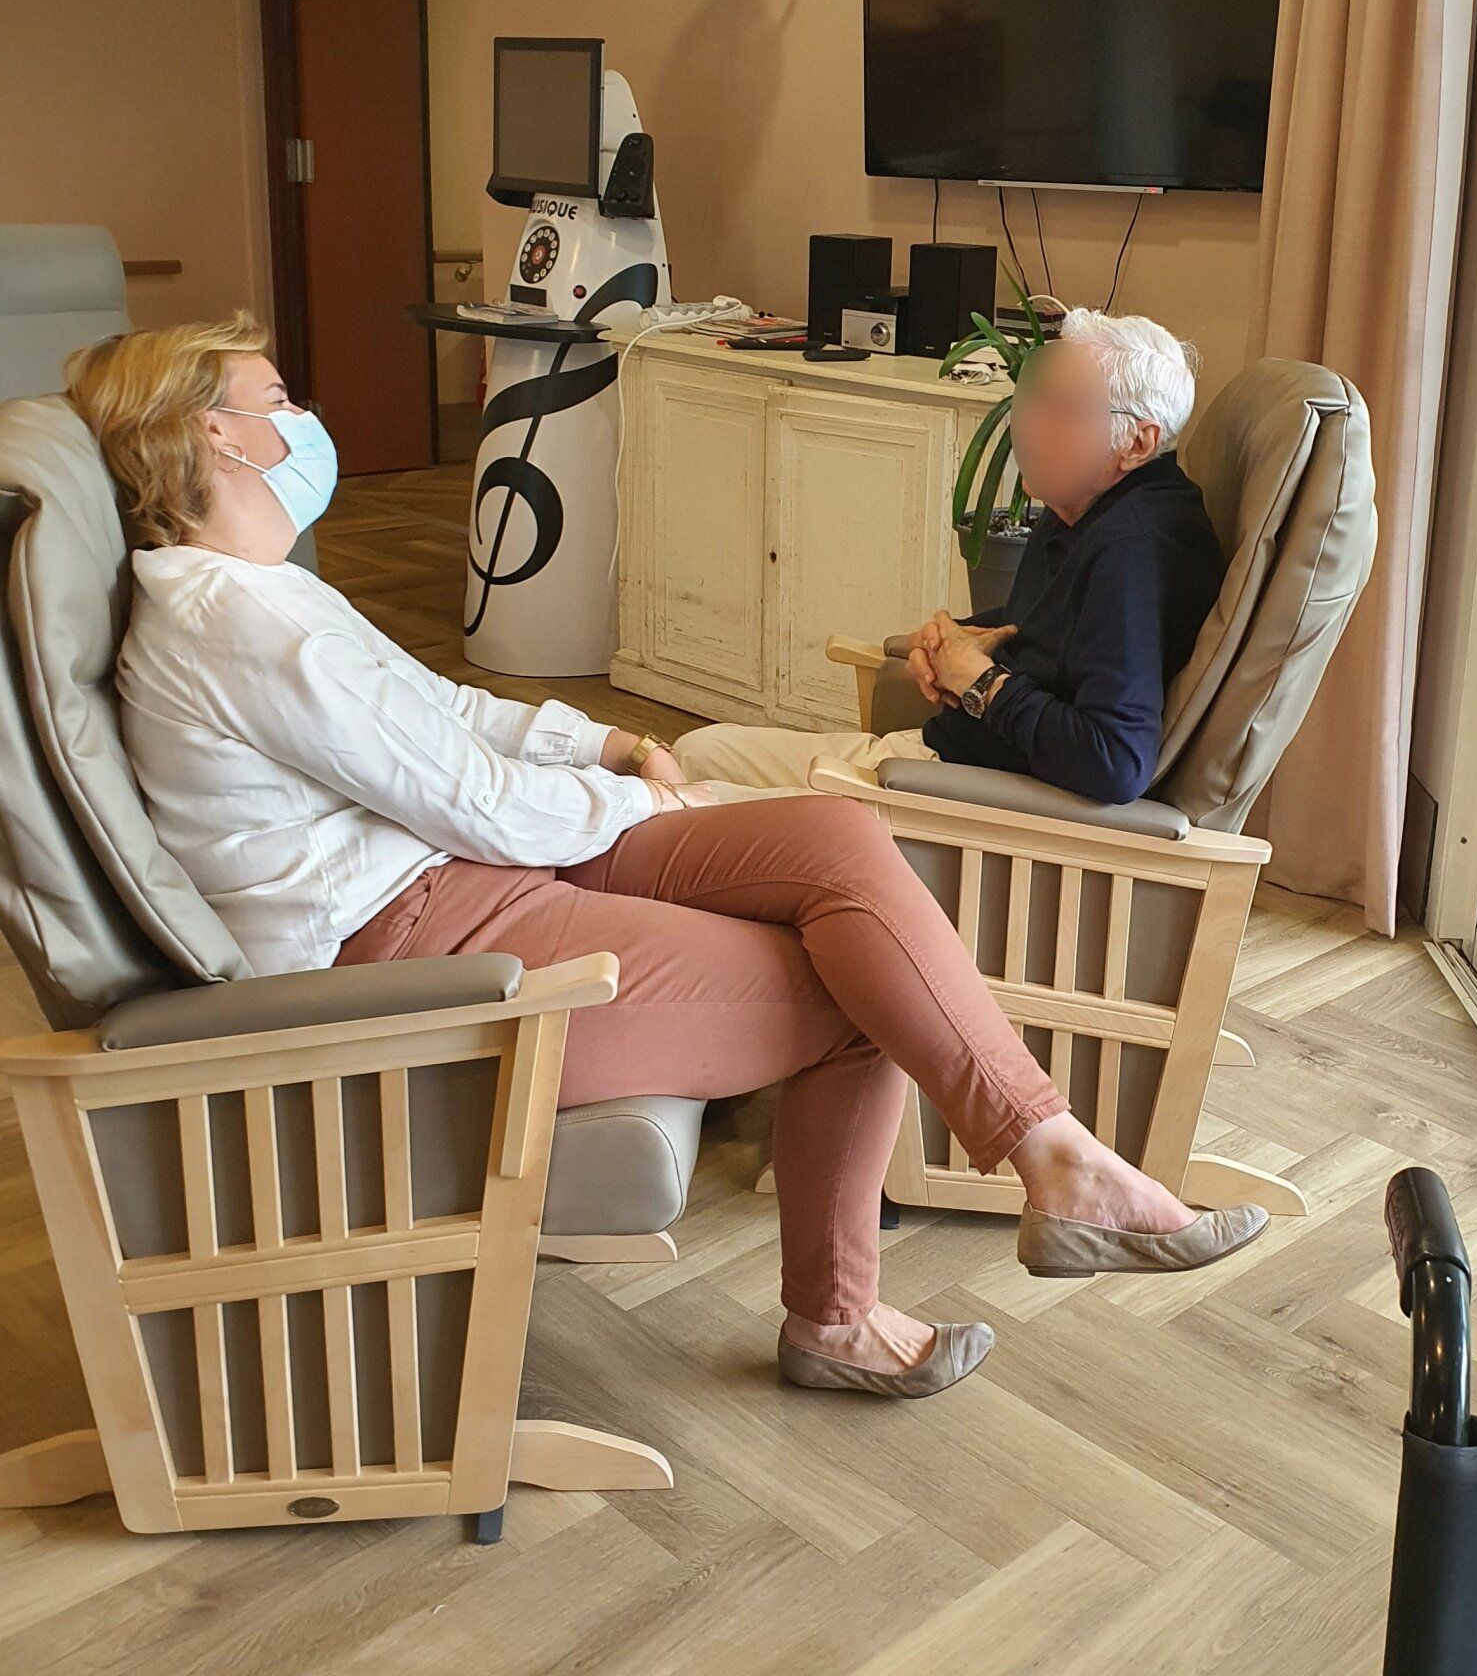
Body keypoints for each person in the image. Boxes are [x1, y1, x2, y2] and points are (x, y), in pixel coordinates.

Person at [75, 313, 1266, 1402]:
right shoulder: (235, 622)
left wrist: (610, 742)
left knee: (839, 840)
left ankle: (1052, 1163)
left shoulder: (260, 593)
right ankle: (860, 1305)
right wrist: (629, 797)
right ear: (215, 437)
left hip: (457, 876)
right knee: (861, 994)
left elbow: (444, 712)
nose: (303, 420)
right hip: (411, 943)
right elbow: (470, 800)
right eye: (280, 400)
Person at [674, 308, 1226, 807]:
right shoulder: (1085, 509)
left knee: (679, 804)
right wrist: (954, 639)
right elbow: (1053, 631)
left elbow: (1116, 762)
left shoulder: (1134, 550)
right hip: (936, 759)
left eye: (1060, 410)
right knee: (697, 752)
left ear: (1137, 442)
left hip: (958, 800)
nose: (1026, 424)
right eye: (1032, 399)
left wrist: (981, 684)